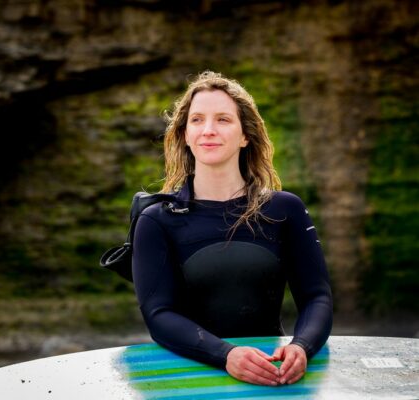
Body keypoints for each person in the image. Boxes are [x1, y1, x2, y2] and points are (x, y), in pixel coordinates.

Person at [132, 71, 333, 386]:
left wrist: (302, 346)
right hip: (191, 376)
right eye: (197, 120)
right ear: (185, 134)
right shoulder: (157, 219)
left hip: (271, 372)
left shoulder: (285, 209)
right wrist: (225, 354)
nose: (208, 130)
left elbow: (317, 296)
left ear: (245, 135)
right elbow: (158, 315)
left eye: (223, 120)